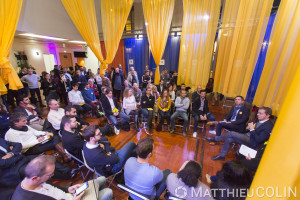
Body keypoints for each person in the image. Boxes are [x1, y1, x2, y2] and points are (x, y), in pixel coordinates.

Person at [11, 155, 113, 200]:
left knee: (102, 179)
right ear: (35, 178)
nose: (52, 176)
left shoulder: (36, 181)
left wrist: (68, 189)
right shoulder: (24, 197)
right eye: (50, 175)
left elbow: (54, 189)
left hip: (70, 195)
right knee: (108, 192)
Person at [0, 138, 79, 188]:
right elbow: (4, 163)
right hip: (13, 170)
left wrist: (12, 154)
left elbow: (17, 145)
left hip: (21, 158)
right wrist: (15, 153)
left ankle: (68, 171)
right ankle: (64, 185)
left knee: (44, 159)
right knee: (38, 171)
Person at [206, 107, 274, 160]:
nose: (258, 114)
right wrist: (248, 128)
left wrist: (252, 129)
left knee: (232, 133)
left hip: (253, 142)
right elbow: (250, 128)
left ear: (268, 115)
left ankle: (216, 139)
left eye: (260, 113)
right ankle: (221, 156)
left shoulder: (269, 126)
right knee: (230, 139)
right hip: (247, 136)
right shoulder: (258, 119)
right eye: (258, 112)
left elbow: (259, 140)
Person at [5, 112, 71, 162]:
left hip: (37, 143)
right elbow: (20, 146)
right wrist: (37, 141)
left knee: (54, 136)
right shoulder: (11, 133)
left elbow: (35, 132)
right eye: (23, 121)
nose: (26, 122)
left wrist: (45, 133)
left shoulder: (24, 126)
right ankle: (66, 155)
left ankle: (65, 155)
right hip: (29, 150)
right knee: (54, 142)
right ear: (15, 123)